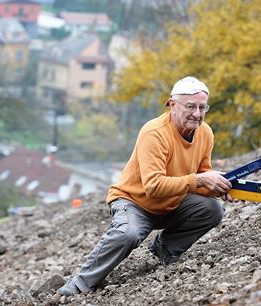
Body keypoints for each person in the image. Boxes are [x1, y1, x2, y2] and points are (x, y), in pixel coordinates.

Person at [57, 76, 234, 296]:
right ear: (172, 105)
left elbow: (200, 177)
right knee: (128, 233)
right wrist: (200, 180)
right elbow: (154, 186)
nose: (197, 114)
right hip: (135, 202)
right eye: (190, 107)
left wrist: (218, 186)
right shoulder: (154, 133)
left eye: (202, 107)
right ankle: (80, 283)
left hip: (171, 203)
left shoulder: (205, 133)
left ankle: (163, 250)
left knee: (213, 209)